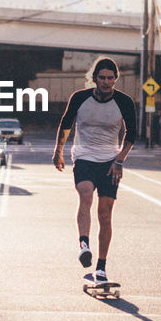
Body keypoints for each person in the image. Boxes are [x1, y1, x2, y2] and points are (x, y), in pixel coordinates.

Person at [53, 57, 138, 283]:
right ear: (94, 78)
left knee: (105, 213)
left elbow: (132, 134)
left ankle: (101, 267)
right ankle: (84, 245)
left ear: (115, 79)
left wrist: (120, 159)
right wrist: (58, 151)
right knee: (86, 195)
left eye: (110, 78)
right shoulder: (80, 98)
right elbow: (66, 125)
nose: (106, 82)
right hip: (84, 157)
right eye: (102, 77)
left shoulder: (124, 102)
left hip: (110, 160)